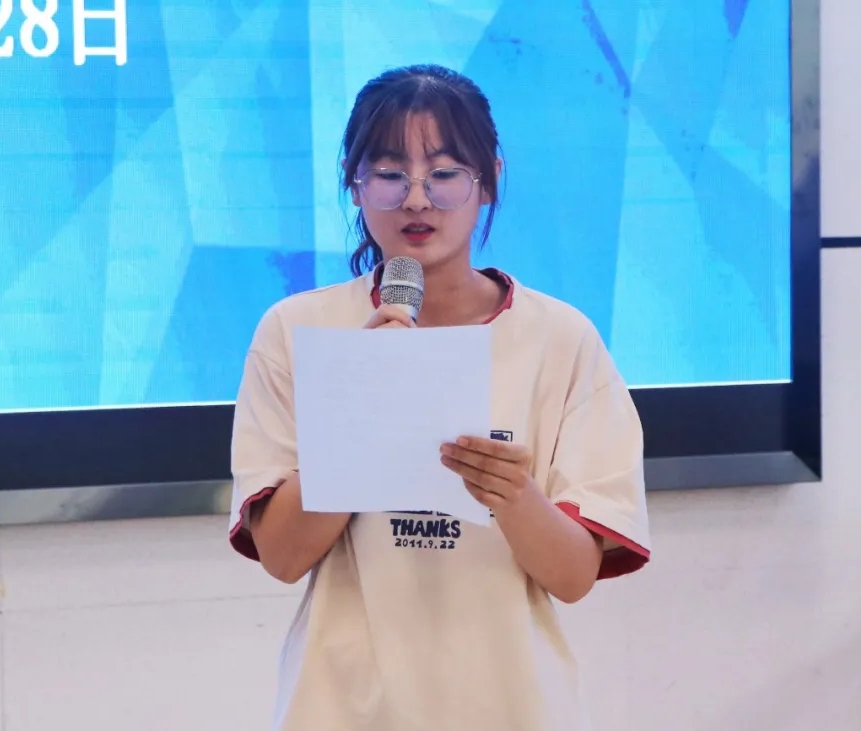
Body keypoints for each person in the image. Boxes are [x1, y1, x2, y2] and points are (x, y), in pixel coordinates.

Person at [229, 64, 650, 731]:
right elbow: (281, 557)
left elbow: (573, 577)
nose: (417, 199)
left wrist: (514, 495)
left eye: (446, 173)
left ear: (489, 180)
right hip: (342, 707)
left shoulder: (561, 339)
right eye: (390, 173)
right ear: (354, 182)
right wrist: (360, 416)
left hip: (510, 707)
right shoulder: (295, 330)